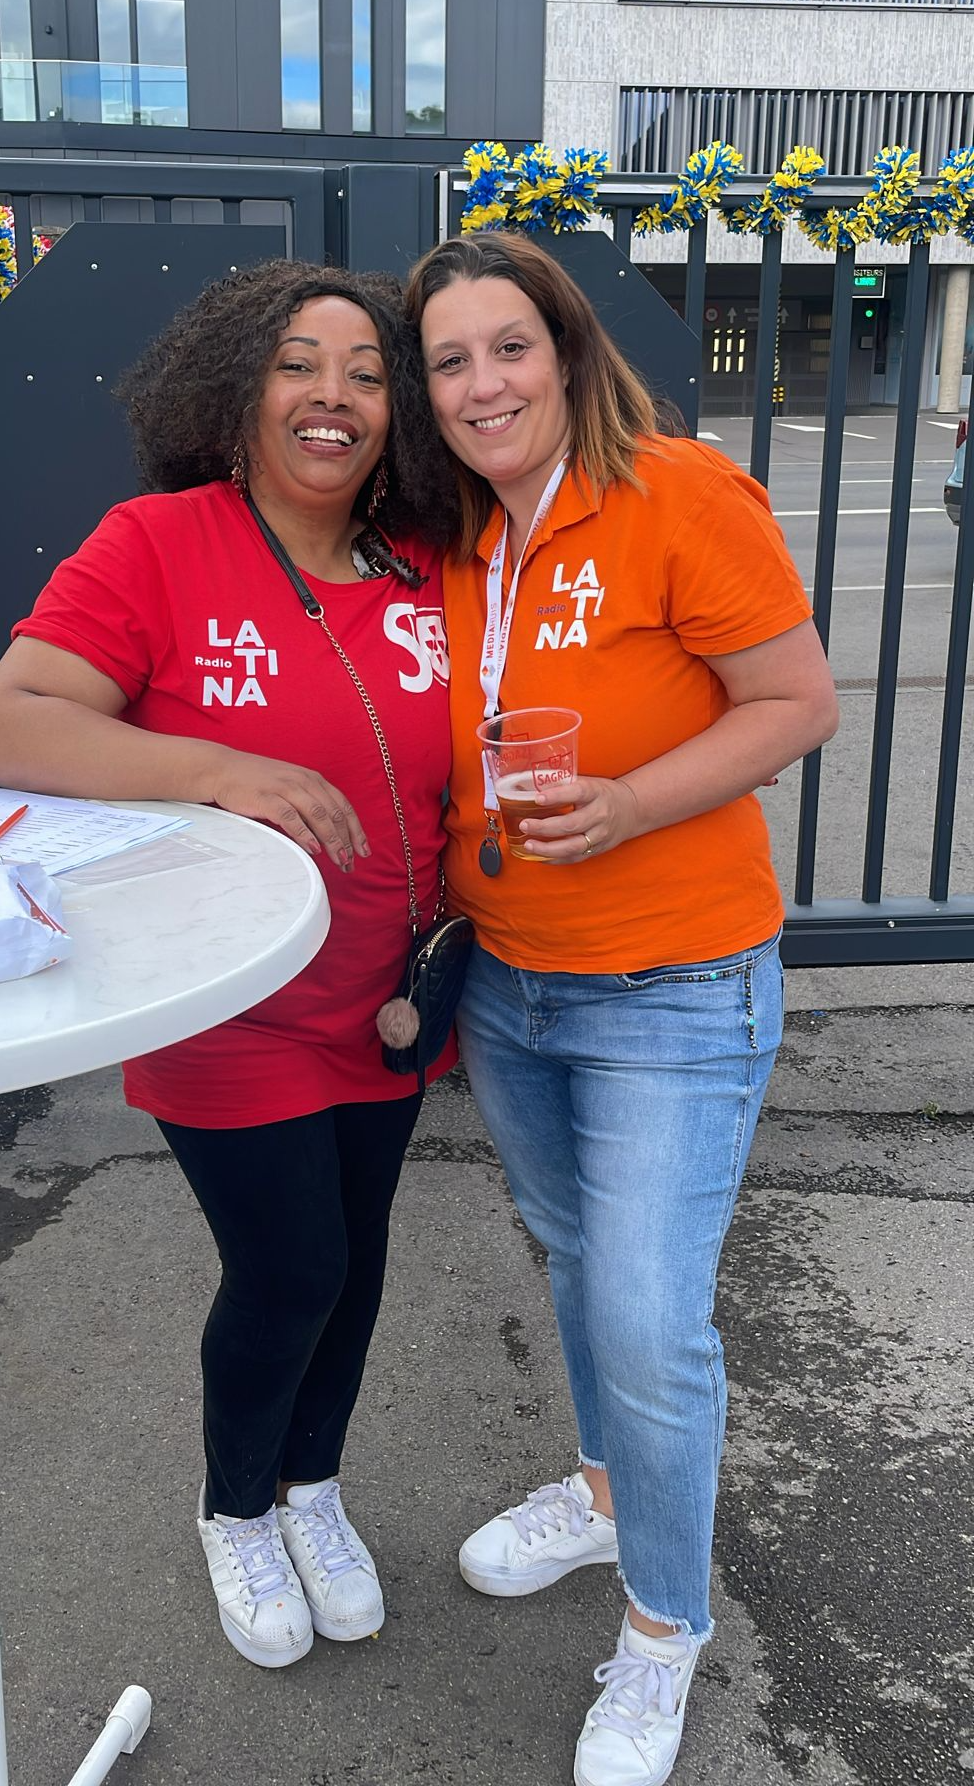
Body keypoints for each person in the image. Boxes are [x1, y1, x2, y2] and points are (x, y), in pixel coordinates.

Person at [0, 260, 458, 1670]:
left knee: (356, 1263)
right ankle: (236, 1506)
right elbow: (11, 725)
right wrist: (218, 767)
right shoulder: (159, 541)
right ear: (236, 390)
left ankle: (315, 1488)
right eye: (299, 363)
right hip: (229, 1001)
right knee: (291, 1267)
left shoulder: (423, 559)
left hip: (390, 994)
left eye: (367, 372)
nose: (332, 396)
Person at [405, 233, 838, 1786]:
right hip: (512, 978)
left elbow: (798, 702)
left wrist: (634, 801)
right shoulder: (458, 531)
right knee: (580, 1259)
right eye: (449, 362)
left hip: (674, 984)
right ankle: (603, 1493)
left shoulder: (677, 493)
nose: (482, 384)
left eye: (508, 346)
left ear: (569, 351)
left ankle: (665, 1628)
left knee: (651, 1319)